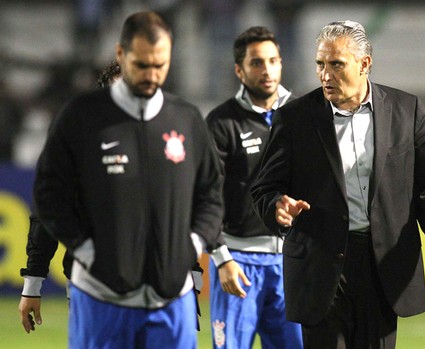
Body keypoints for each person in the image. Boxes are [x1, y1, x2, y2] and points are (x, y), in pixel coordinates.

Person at [251, 20, 425, 348]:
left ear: (365, 64)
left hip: (382, 266)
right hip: (319, 264)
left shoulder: (406, 111)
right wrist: (277, 206)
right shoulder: (294, 118)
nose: (325, 74)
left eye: (336, 64)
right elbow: (264, 188)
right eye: (320, 64)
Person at [33, 11, 224, 348]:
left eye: (160, 65)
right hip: (100, 296)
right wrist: (87, 251)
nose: (151, 75)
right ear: (121, 54)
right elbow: (49, 197)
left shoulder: (187, 118)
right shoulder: (80, 119)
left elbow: (209, 195)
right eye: (141, 65)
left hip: (171, 298)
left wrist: (191, 248)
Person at [205, 26, 302, 349]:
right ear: (239, 70)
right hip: (238, 262)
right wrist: (221, 258)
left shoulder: (303, 115)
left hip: (291, 264)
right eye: (257, 62)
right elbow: (207, 198)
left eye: (273, 61)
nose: (267, 70)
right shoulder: (221, 123)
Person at [18, 59, 121, 334]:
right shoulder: (76, 133)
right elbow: (49, 206)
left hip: (153, 282)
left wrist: (189, 276)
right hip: (89, 278)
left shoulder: (167, 137)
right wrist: (33, 283)